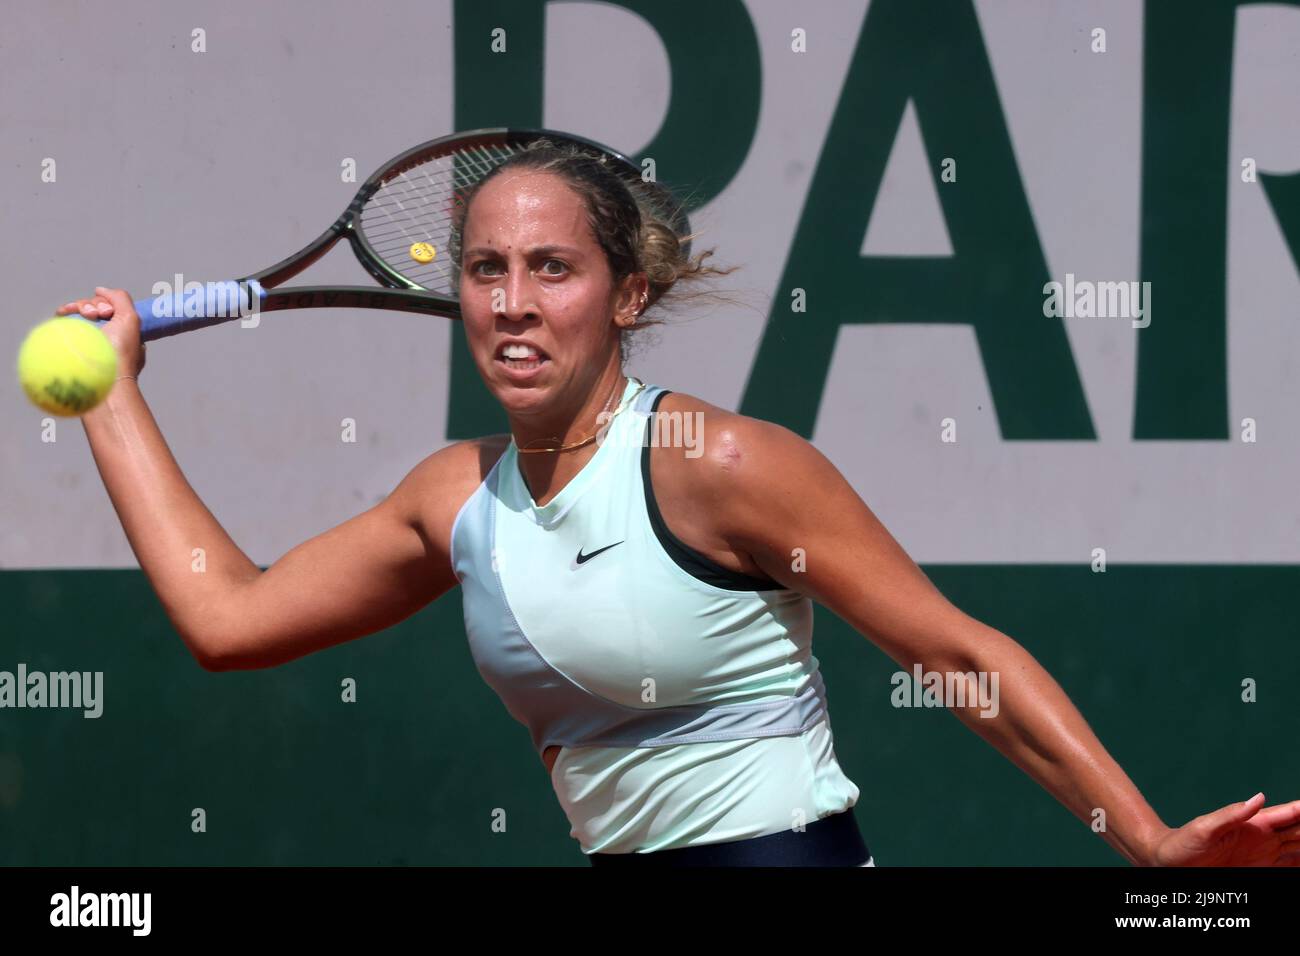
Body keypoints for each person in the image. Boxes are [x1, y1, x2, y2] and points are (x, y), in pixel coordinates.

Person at [63, 141, 1300, 867]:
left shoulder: (720, 463)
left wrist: (1147, 845)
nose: (510, 302)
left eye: (552, 268)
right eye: (486, 269)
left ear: (626, 296)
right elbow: (227, 621)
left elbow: (953, 652)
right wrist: (112, 398)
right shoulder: (453, 499)